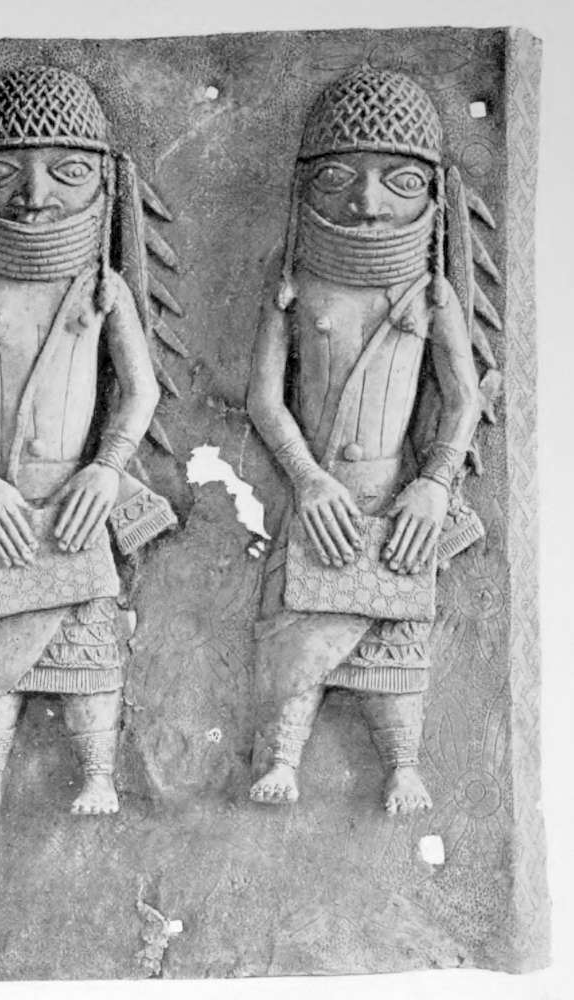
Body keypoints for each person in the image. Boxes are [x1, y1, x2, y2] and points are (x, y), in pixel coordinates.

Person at [0, 66, 175, 821]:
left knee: (89, 642)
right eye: (4, 173)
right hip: (2, 502)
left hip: (77, 498)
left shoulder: (103, 290)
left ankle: (97, 775)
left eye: (65, 172)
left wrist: (106, 469)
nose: (33, 196)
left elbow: (140, 391)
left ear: (102, 179)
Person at [246, 65, 486, 815]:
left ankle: (403, 766)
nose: (368, 203)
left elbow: (463, 398)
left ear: (433, 193)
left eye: (399, 182)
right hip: (319, 496)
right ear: (306, 187)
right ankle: (281, 760)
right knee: (296, 633)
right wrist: (307, 479)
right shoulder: (293, 283)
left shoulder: (431, 293)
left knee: (395, 636)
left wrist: (434, 485)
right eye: (340, 179)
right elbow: (264, 399)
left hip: (393, 495)